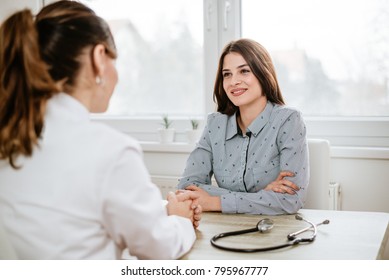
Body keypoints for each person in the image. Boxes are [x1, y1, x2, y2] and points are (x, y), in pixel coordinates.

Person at [0, 0, 201, 260]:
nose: (116, 75)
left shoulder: (11, 139)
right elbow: (158, 249)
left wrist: (160, 213)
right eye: (114, 61)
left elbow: (71, 215)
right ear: (98, 58)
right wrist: (180, 221)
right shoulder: (110, 151)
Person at [177, 39, 309, 215]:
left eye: (244, 71)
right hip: (226, 229)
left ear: (263, 73)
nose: (234, 81)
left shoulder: (289, 121)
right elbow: (186, 187)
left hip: (275, 232)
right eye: (227, 74)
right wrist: (262, 196)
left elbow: (291, 200)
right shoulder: (215, 125)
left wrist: (215, 202)